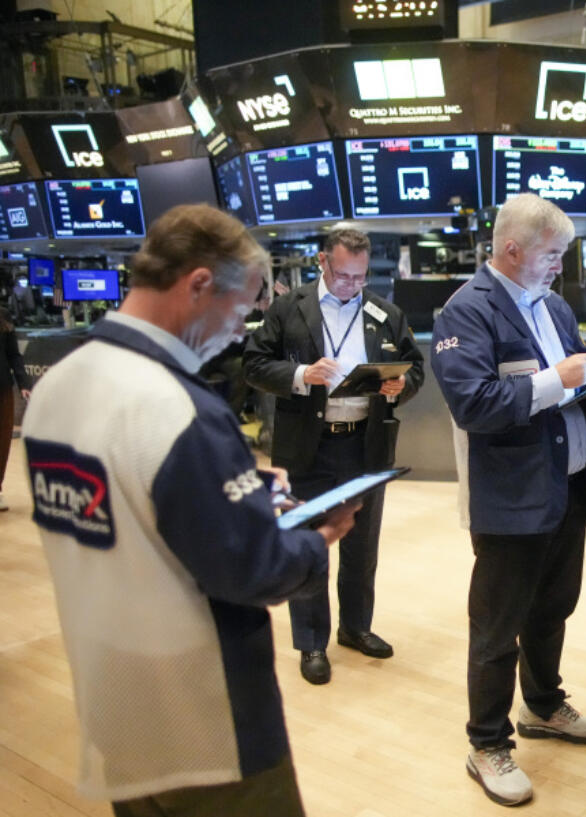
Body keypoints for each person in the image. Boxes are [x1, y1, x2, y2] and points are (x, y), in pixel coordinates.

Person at [22, 204, 359, 817]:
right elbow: (254, 569)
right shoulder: (175, 408)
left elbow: (132, 511)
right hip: (206, 727)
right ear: (199, 284)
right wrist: (319, 538)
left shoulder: (54, 389)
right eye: (240, 309)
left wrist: (232, 485)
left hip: (114, 711)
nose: (239, 332)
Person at [431, 193, 586, 807]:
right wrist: (553, 380)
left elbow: (571, 388)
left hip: (566, 488)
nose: (560, 266)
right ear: (511, 249)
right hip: (511, 500)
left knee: (552, 610)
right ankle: (487, 742)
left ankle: (542, 704)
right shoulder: (465, 312)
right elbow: (474, 404)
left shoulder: (555, 307)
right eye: (552, 254)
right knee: (497, 629)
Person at [244, 228, 425, 685]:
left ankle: (355, 627)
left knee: (362, 547)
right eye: (343, 275)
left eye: (360, 277)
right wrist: (302, 373)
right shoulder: (289, 308)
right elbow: (254, 365)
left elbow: (415, 367)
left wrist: (401, 385)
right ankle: (311, 642)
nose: (351, 285)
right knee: (308, 543)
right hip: (308, 446)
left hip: (366, 445)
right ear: (322, 262)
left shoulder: (385, 312)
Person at [0, 307, 32, 511]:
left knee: (2, 442)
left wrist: (23, 383)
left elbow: (13, 355)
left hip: (2, 388)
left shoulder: (3, 315)